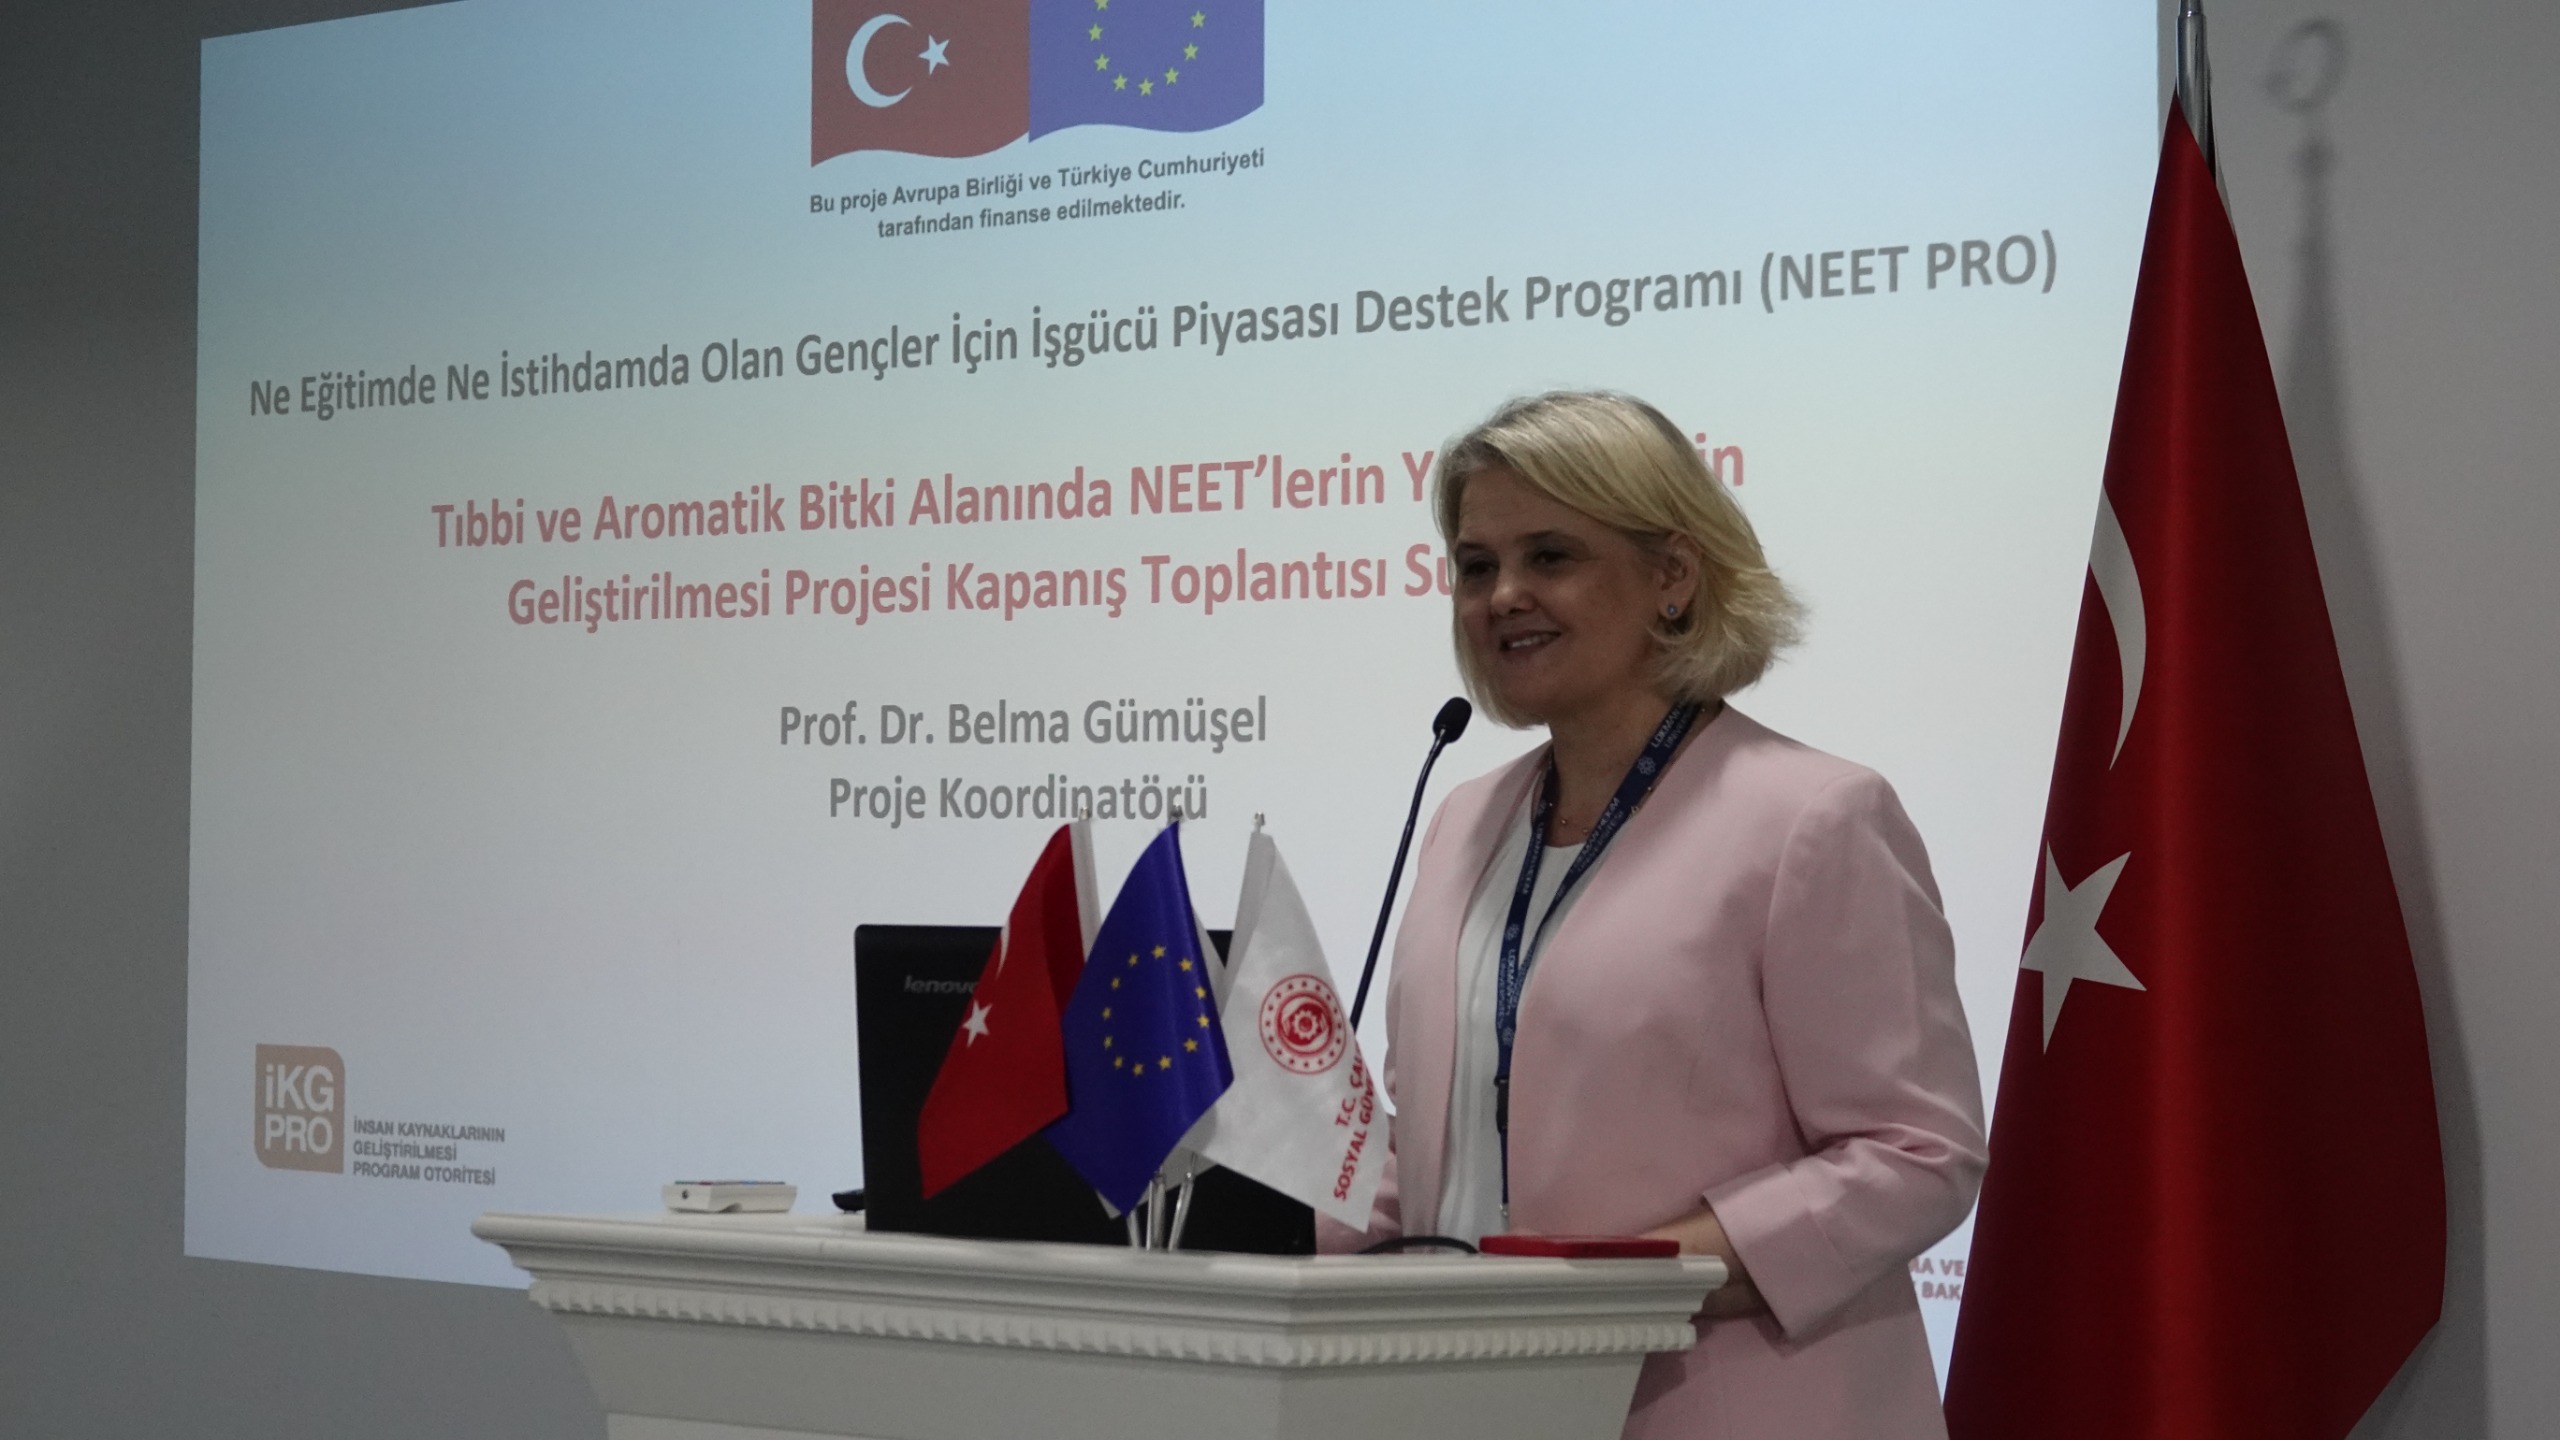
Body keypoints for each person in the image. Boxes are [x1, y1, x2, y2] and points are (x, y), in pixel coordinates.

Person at [1323, 391, 1987, 1439]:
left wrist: (1631, 1278)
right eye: (1476, 565)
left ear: (1672, 576)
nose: (1502, 596)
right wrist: (1246, 1229)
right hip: (1477, 1404)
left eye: (1550, 556)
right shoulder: (1462, 821)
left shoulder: (1811, 817)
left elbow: (1916, 1153)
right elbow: (1440, 1157)